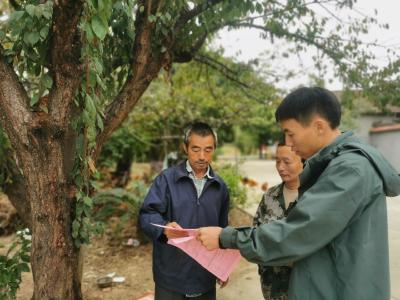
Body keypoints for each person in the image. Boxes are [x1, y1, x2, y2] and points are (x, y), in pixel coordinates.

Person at [197, 87, 400, 300]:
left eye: (290, 134)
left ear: (318, 126)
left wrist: (226, 237)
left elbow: (297, 232)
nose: (289, 144)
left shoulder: (350, 170)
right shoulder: (333, 166)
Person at [139, 122, 230, 300]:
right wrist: (164, 228)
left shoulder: (220, 187)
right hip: (170, 277)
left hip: (205, 276)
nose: (202, 156)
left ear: (214, 149)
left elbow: (222, 230)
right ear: (185, 148)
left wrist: (222, 267)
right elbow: (146, 215)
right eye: (195, 149)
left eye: (208, 150)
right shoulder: (166, 180)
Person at [253, 142, 303, 300]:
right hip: (272, 287)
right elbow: (255, 235)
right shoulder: (270, 196)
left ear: (303, 161)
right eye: (277, 161)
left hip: (304, 287)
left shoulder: (315, 197)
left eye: (287, 162)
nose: (281, 167)